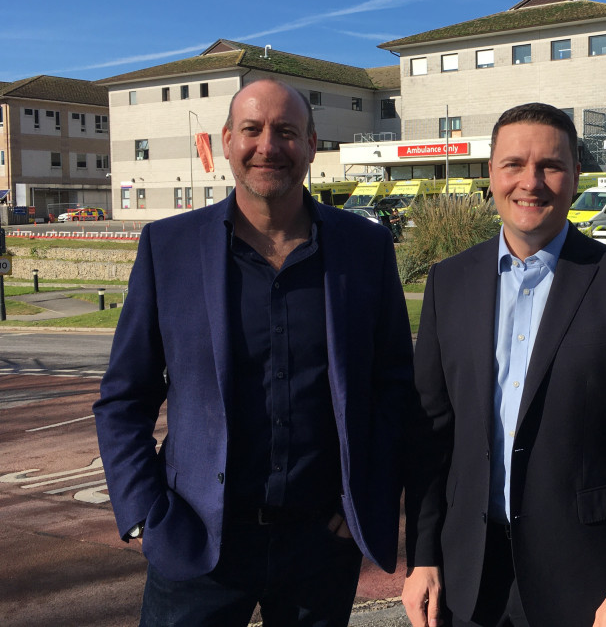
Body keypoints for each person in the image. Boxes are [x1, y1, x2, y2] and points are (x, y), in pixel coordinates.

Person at [93, 78, 414, 626]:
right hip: (196, 541)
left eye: (286, 131)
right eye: (252, 130)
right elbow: (125, 396)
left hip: (320, 544)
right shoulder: (167, 248)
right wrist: (145, 514)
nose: (268, 146)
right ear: (226, 141)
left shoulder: (364, 248)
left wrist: (366, 500)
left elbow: (393, 390)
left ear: (312, 144)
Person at [401, 103, 606, 627]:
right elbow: (430, 435)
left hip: (585, 576)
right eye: (514, 164)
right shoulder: (449, 282)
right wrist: (423, 555)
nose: (530, 182)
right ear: (490, 173)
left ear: (577, 175)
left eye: (550, 166)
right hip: (468, 572)